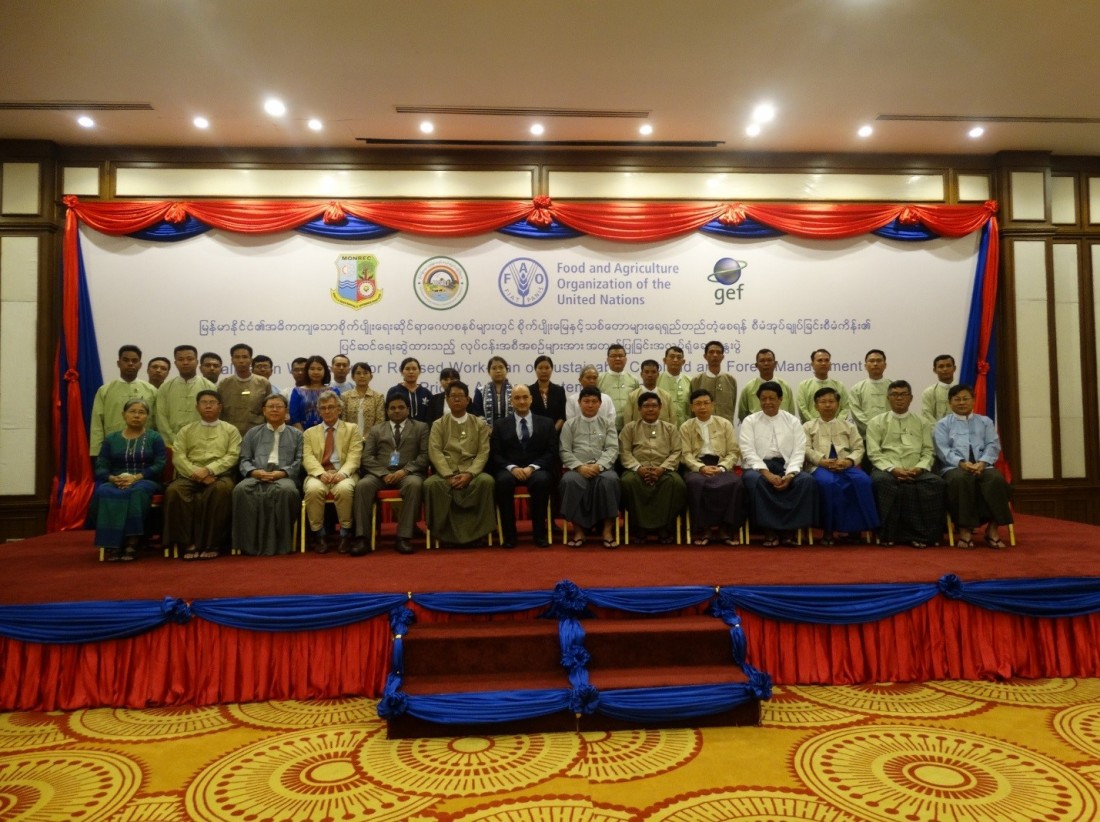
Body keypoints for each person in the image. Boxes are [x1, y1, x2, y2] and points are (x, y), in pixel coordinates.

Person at [866, 380, 945, 548]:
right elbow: (874, 453)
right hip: (887, 469)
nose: (899, 398)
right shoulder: (876, 422)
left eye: (903, 394)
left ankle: (923, 536)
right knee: (882, 482)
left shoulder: (922, 422)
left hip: (916, 468)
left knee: (935, 483)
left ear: (911, 398)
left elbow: (928, 451)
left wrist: (919, 468)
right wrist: (893, 469)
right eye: (894, 395)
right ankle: (887, 534)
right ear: (887, 398)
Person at [933, 384, 1013, 549]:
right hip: (954, 467)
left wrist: (983, 462)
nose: (962, 403)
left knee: (996, 479)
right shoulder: (942, 424)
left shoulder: (985, 422)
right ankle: (964, 530)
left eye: (965, 399)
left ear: (973, 400)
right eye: (957, 399)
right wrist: (961, 463)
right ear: (950, 402)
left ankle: (992, 529)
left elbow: (993, 445)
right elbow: (942, 450)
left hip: (983, 465)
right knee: (960, 480)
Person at [164, 390, 241, 560]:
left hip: (219, 475)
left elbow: (232, 456)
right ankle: (187, 543)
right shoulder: (186, 430)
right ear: (197, 407)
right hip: (189, 474)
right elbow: (178, 457)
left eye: (212, 402)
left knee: (221, 490)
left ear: (220, 407)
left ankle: (212, 543)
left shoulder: (230, 430)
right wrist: (195, 472)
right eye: (204, 402)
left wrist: (209, 470)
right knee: (174, 491)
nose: (208, 406)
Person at [739, 381, 816, 546]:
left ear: (780, 399)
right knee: (754, 480)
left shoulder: (793, 421)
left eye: (772, 398)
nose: (767, 402)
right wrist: (766, 473)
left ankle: (789, 532)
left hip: (786, 466)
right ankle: (769, 531)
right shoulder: (750, 421)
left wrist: (790, 474)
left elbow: (799, 451)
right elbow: (748, 451)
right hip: (759, 468)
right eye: (763, 399)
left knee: (806, 481)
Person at [353, 392, 430, 555]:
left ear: (408, 409)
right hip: (380, 474)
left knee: (415, 485)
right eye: (392, 408)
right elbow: (367, 457)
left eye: (401, 407)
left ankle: (403, 537)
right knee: (362, 485)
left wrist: (405, 471)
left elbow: (424, 456)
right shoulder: (376, 430)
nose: (397, 411)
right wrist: (383, 474)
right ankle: (362, 538)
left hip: (408, 474)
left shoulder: (421, 427)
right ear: (387, 411)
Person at [802, 387, 880, 545]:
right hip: (820, 466)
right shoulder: (808, 426)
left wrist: (849, 461)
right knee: (829, 484)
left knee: (863, 481)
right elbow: (805, 448)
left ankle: (856, 530)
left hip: (845, 465)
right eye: (823, 402)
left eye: (831, 401)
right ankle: (828, 531)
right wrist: (821, 461)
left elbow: (859, 448)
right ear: (816, 406)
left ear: (838, 405)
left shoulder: (848, 426)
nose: (827, 405)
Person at [92, 398, 167, 562]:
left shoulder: (154, 438)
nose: (136, 416)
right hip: (116, 480)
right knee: (104, 490)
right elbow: (101, 466)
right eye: (132, 412)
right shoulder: (111, 439)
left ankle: (132, 542)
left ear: (147, 416)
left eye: (141, 412)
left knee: (137, 492)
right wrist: (112, 478)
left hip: (145, 480)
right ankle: (113, 543)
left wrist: (136, 477)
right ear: (123, 415)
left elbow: (160, 464)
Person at [423, 381, 496, 546]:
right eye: (453, 396)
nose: (456, 399)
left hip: (472, 472)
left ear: (468, 400)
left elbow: (483, 452)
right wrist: (448, 475)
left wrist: (470, 474)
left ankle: (478, 534)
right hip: (446, 473)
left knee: (487, 482)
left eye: (460, 396)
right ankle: (444, 535)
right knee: (431, 485)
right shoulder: (438, 424)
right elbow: (435, 451)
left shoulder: (479, 424)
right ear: (447, 400)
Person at [231, 393, 303, 556]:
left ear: (286, 411)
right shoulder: (252, 433)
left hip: (284, 476)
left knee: (287, 491)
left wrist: (282, 473)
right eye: (271, 406)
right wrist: (254, 472)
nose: (275, 410)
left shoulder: (297, 434)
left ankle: (281, 544)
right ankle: (248, 544)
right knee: (241, 490)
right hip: (257, 474)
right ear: (264, 411)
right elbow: (244, 459)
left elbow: (299, 461)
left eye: (279, 406)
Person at [490, 384, 557, 547]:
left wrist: (532, 467)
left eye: (525, 397)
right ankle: (509, 536)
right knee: (503, 482)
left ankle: (539, 534)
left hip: (536, 469)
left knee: (542, 481)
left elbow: (551, 452)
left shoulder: (547, 423)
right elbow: (495, 454)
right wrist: (512, 468)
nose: (521, 401)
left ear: (531, 399)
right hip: (509, 469)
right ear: (511, 401)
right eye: (517, 398)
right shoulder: (500, 424)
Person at [619, 391, 686, 543]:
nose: (650, 409)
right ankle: (638, 528)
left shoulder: (670, 428)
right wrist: (638, 468)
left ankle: (665, 527)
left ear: (660, 407)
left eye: (654, 406)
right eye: (646, 406)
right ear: (639, 409)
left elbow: (677, 452)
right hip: (636, 470)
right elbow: (624, 452)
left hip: (664, 470)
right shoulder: (630, 428)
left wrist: (662, 468)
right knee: (627, 483)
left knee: (677, 484)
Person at [559, 386, 621, 548]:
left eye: (594, 401)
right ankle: (578, 532)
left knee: (611, 481)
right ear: (579, 403)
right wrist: (579, 467)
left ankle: (607, 532)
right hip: (577, 469)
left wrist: (599, 466)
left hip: (603, 469)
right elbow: (564, 450)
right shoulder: (569, 425)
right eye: (586, 401)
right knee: (569, 481)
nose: (590, 405)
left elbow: (612, 449)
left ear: (600, 404)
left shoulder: (608, 424)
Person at [680, 388, 744, 546]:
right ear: (691, 407)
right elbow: (685, 454)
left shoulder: (725, 424)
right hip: (697, 466)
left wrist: (722, 467)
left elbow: (733, 452)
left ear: (712, 405)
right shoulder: (686, 427)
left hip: (720, 464)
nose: (702, 407)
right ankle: (704, 529)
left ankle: (725, 529)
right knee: (696, 483)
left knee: (735, 483)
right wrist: (700, 468)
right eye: (698, 404)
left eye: (706, 403)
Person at [302, 390, 362, 553]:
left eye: (331, 407)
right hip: (319, 474)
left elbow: (355, 455)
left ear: (339, 409)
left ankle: (345, 534)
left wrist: (342, 473)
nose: (327, 411)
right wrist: (321, 473)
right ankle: (318, 534)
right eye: (323, 408)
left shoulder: (352, 429)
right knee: (313, 490)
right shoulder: (309, 433)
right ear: (319, 411)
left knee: (344, 490)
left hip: (344, 473)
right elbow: (307, 457)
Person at [88, 344, 159, 456]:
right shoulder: (105, 390)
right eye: (126, 360)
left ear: (140, 365)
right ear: (118, 363)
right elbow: (97, 423)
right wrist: (96, 452)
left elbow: (157, 422)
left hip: (144, 447)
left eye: (134, 361)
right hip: (113, 448)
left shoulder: (151, 390)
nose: (130, 364)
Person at [155, 344, 216, 447]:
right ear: (175, 363)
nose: (185, 362)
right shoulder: (165, 388)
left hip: (203, 442)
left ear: (197, 362)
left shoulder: (209, 387)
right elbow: (161, 417)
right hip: (172, 444)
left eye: (189, 359)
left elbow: (213, 416)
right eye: (181, 359)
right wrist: (173, 439)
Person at [217, 343, 271, 436]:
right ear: (232, 360)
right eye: (237, 357)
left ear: (251, 360)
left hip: (257, 434)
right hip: (229, 434)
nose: (241, 361)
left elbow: (268, 411)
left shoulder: (263, 383)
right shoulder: (224, 384)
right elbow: (219, 412)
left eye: (245, 357)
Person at [737, 349, 795, 421]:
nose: (766, 363)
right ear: (756, 365)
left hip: (782, 426)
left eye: (769, 360)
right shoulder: (748, 387)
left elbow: (791, 413)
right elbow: (742, 415)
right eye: (762, 361)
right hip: (756, 427)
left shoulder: (785, 386)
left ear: (775, 364)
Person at [690, 340, 737, 423]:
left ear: (722, 357)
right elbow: (692, 408)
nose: (715, 355)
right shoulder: (696, 380)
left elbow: (732, 407)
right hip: (701, 426)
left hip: (725, 427)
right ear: (705, 356)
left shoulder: (730, 380)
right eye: (711, 352)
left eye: (718, 352)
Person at [797, 349, 850, 422]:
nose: (823, 363)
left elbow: (845, 408)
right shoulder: (804, 386)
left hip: (836, 427)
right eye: (820, 360)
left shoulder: (839, 386)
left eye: (826, 360)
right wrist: (816, 424)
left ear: (830, 364)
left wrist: (836, 423)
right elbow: (802, 409)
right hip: (811, 427)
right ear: (812, 364)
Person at [598, 343, 640, 431]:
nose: (617, 358)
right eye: (613, 356)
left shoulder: (634, 380)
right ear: (607, 360)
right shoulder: (599, 379)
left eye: (620, 356)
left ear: (626, 359)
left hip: (629, 427)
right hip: (606, 426)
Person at [848, 349, 889, 437]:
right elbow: (857, 414)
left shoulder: (893, 387)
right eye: (871, 361)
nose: (875, 364)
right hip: (866, 437)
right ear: (865, 366)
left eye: (879, 361)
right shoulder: (857, 388)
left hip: (890, 436)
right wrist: (873, 429)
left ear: (885, 365)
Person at [622, 359, 675, 427]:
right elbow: (627, 421)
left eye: (653, 372)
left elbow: (673, 421)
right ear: (641, 374)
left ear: (658, 375)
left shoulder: (666, 396)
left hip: (662, 433)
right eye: (646, 372)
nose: (650, 375)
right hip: (639, 433)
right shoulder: (632, 396)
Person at [342, 361, 385, 438]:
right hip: (349, 438)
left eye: (365, 373)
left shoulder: (378, 397)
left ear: (371, 377)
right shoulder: (345, 396)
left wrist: (368, 437)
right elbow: (343, 420)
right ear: (353, 377)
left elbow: (380, 421)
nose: (362, 376)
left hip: (372, 439)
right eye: (358, 373)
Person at [289, 354, 330, 430]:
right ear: (306, 371)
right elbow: (294, 418)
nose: (316, 372)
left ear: (325, 371)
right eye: (312, 369)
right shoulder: (297, 391)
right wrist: (303, 435)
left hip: (329, 432)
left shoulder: (333, 391)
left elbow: (336, 416)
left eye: (319, 369)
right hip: (302, 433)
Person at [529, 355, 567, 431]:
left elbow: (562, 416)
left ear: (551, 369)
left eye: (547, 368)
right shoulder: (528, 391)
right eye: (540, 368)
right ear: (535, 370)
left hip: (555, 433)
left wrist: (553, 431)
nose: (544, 371)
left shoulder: (559, 391)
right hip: (534, 433)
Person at [471, 355, 514, 424]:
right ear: (489, 372)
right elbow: (477, 414)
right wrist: (486, 427)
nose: (498, 371)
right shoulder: (480, 391)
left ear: (506, 370)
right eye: (494, 368)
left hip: (512, 429)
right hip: (486, 429)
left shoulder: (515, 390)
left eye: (501, 367)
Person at [658, 345, 693, 426]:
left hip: (686, 428)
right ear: (664, 360)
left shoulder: (690, 382)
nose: (675, 360)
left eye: (679, 357)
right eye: (672, 357)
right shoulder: (656, 381)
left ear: (683, 362)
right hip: (663, 428)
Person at [391, 357, 433, 423]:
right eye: (407, 369)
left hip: (423, 429)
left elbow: (431, 416)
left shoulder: (426, 393)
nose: (411, 372)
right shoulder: (393, 391)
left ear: (419, 371)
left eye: (414, 369)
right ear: (402, 372)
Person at [922, 354, 957, 425]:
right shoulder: (929, 392)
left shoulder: (962, 391)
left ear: (954, 368)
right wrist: (941, 430)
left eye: (948, 366)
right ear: (935, 370)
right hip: (935, 431)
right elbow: (927, 416)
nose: (945, 369)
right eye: (941, 366)